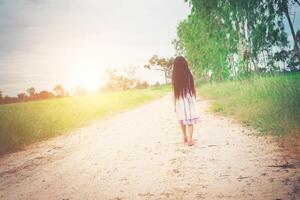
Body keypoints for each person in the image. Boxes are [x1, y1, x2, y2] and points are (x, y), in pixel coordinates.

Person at [172, 56, 200, 146]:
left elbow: (174, 93)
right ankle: (190, 139)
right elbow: (192, 87)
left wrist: (174, 105)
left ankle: (184, 136)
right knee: (190, 120)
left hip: (179, 101)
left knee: (182, 119)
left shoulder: (175, 77)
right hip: (189, 100)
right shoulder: (189, 75)